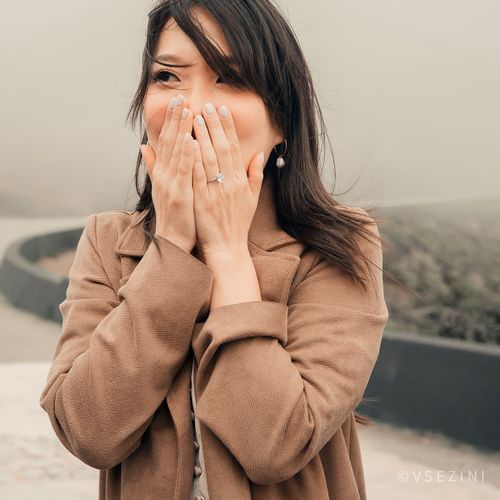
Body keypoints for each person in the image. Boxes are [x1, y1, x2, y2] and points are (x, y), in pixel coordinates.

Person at [39, 1, 390, 499]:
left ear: (282, 121)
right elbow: (89, 432)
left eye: (231, 78)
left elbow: (276, 444)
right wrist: (172, 251)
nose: (195, 107)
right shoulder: (107, 241)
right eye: (167, 77)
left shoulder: (337, 245)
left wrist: (227, 253)